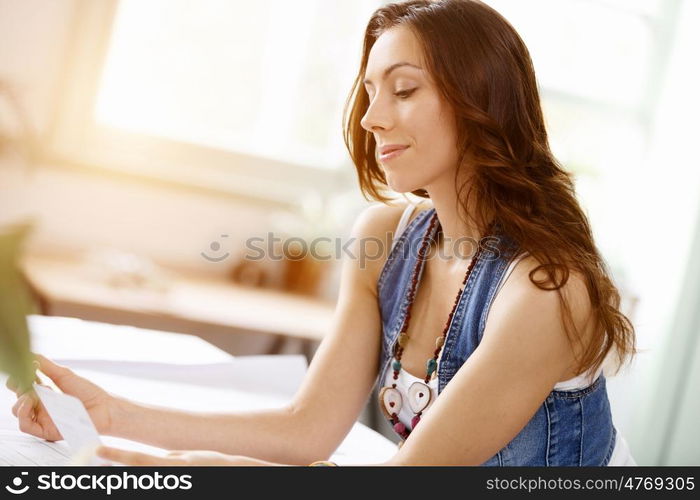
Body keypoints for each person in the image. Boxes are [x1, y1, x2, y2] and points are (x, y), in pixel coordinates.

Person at [6, 0, 637, 466]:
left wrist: (171, 469)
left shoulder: (542, 293)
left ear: (481, 101)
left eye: (404, 90)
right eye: (369, 91)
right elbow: (307, 429)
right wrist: (114, 416)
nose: (371, 117)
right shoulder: (387, 238)